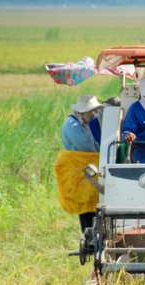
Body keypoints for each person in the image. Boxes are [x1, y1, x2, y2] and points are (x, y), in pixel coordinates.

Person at [61, 94, 103, 233]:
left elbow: (95, 145)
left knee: (94, 201)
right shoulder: (72, 125)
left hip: (89, 166)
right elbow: (85, 148)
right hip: (80, 167)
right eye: (92, 111)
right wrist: (100, 157)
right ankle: (89, 237)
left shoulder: (84, 124)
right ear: (84, 111)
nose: (94, 115)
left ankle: (96, 236)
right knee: (85, 203)